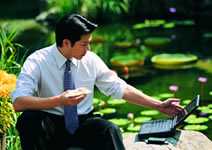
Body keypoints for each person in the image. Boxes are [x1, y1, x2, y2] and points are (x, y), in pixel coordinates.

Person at [12, 13, 184, 150]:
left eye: (90, 44)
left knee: (110, 130)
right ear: (66, 42)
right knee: (28, 120)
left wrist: (158, 105)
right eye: (84, 44)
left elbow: (119, 88)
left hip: (84, 123)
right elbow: (18, 102)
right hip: (51, 124)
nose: (89, 50)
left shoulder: (91, 60)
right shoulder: (37, 61)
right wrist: (59, 100)